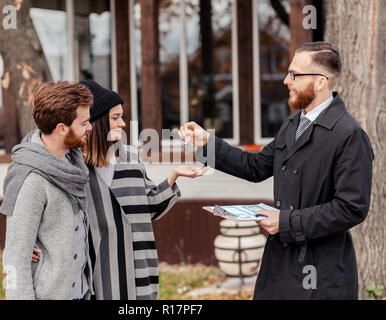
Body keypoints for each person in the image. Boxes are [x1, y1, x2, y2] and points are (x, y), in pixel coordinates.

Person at [179, 42, 374, 300]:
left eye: (294, 74)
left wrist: (285, 222)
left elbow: (351, 208)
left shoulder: (349, 135)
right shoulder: (292, 123)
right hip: (278, 268)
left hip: (321, 277)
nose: (286, 81)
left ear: (320, 82)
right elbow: (256, 167)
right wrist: (208, 144)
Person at [31, 79, 208, 300]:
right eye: (115, 118)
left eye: (121, 117)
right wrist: (33, 243)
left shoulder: (131, 158)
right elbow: (52, 212)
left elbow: (149, 206)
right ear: (95, 122)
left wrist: (174, 175)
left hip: (139, 271)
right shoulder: (74, 168)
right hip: (98, 278)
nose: (123, 123)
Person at [0, 81, 94, 300]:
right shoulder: (32, 180)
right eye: (84, 123)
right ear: (62, 128)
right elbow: (15, 258)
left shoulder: (73, 164)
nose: (89, 128)